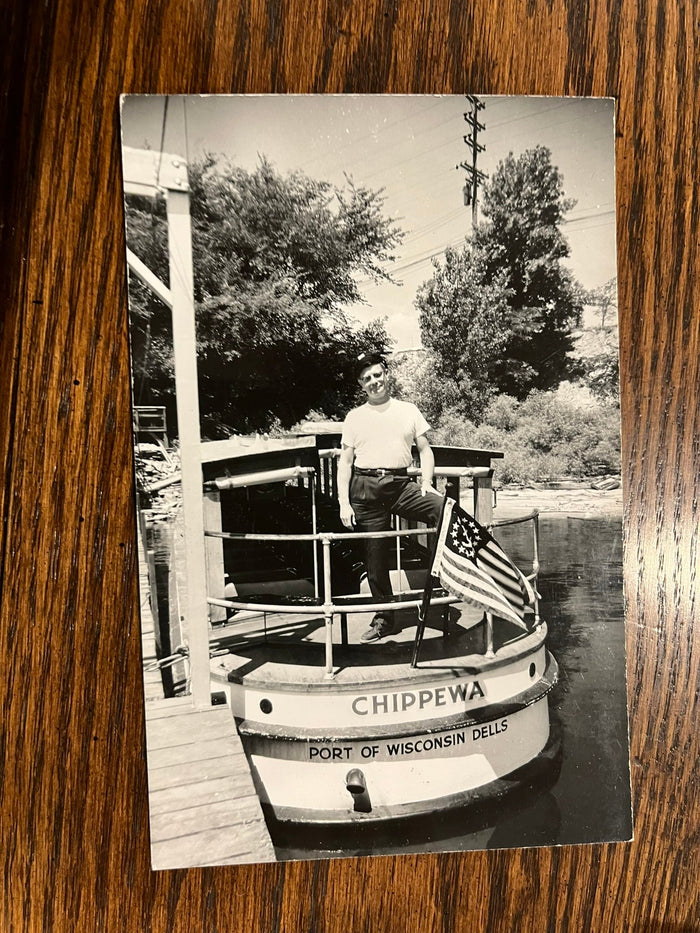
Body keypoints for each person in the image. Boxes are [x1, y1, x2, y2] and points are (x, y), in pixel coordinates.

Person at [337, 352, 443, 642]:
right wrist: (344, 502)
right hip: (366, 489)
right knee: (375, 558)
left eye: (378, 375)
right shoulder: (355, 417)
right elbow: (344, 463)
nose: (374, 381)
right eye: (367, 378)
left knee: (443, 509)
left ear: (387, 375)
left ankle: (447, 585)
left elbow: (425, 450)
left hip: (401, 484)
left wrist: (427, 482)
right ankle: (384, 618)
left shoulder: (408, 410)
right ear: (361, 385)